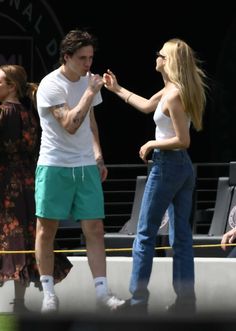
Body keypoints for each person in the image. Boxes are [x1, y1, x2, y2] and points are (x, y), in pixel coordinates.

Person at [103, 38, 207, 314]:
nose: (156, 57)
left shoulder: (174, 94)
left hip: (168, 166)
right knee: (181, 238)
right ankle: (186, 302)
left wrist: (152, 144)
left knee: (145, 235)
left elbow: (183, 140)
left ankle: (138, 302)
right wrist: (117, 89)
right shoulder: (170, 90)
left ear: (168, 61)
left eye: (160, 54)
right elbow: (147, 105)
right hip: (181, 169)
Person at [35, 28, 125, 313]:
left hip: (85, 166)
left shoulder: (89, 82)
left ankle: (102, 293)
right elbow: (71, 123)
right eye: (83, 58)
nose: (89, 64)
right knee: (46, 231)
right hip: (54, 165)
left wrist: (98, 157)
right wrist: (89, 92)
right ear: (67, 57)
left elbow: (90, 123)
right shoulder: (51, 85)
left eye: (91, 57)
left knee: (95, 229)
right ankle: (48, 294)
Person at [0, 64, 73, 313]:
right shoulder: (27, 112)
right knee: (23, 239)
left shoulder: (6, 112)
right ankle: (19, 303)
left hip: (7, 183)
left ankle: (18, 303)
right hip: (27, 182)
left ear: (11, 87)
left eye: (0, 82)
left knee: (12, 238)